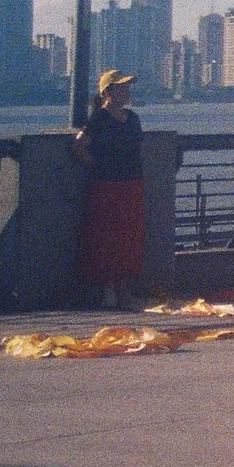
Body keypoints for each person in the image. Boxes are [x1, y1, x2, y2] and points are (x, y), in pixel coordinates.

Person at [70, 70, 146, 308]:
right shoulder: (99, 119)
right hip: (106, 185)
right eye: (122, 87)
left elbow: (139, 147)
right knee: (106, 236)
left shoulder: (133, 118)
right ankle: (108, 289)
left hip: (131, 183)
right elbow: (78, 145)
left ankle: (122, 288)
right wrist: (97, 166)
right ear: (108, 92)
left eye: (127, 87)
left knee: (128, 236)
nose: (127, 91)